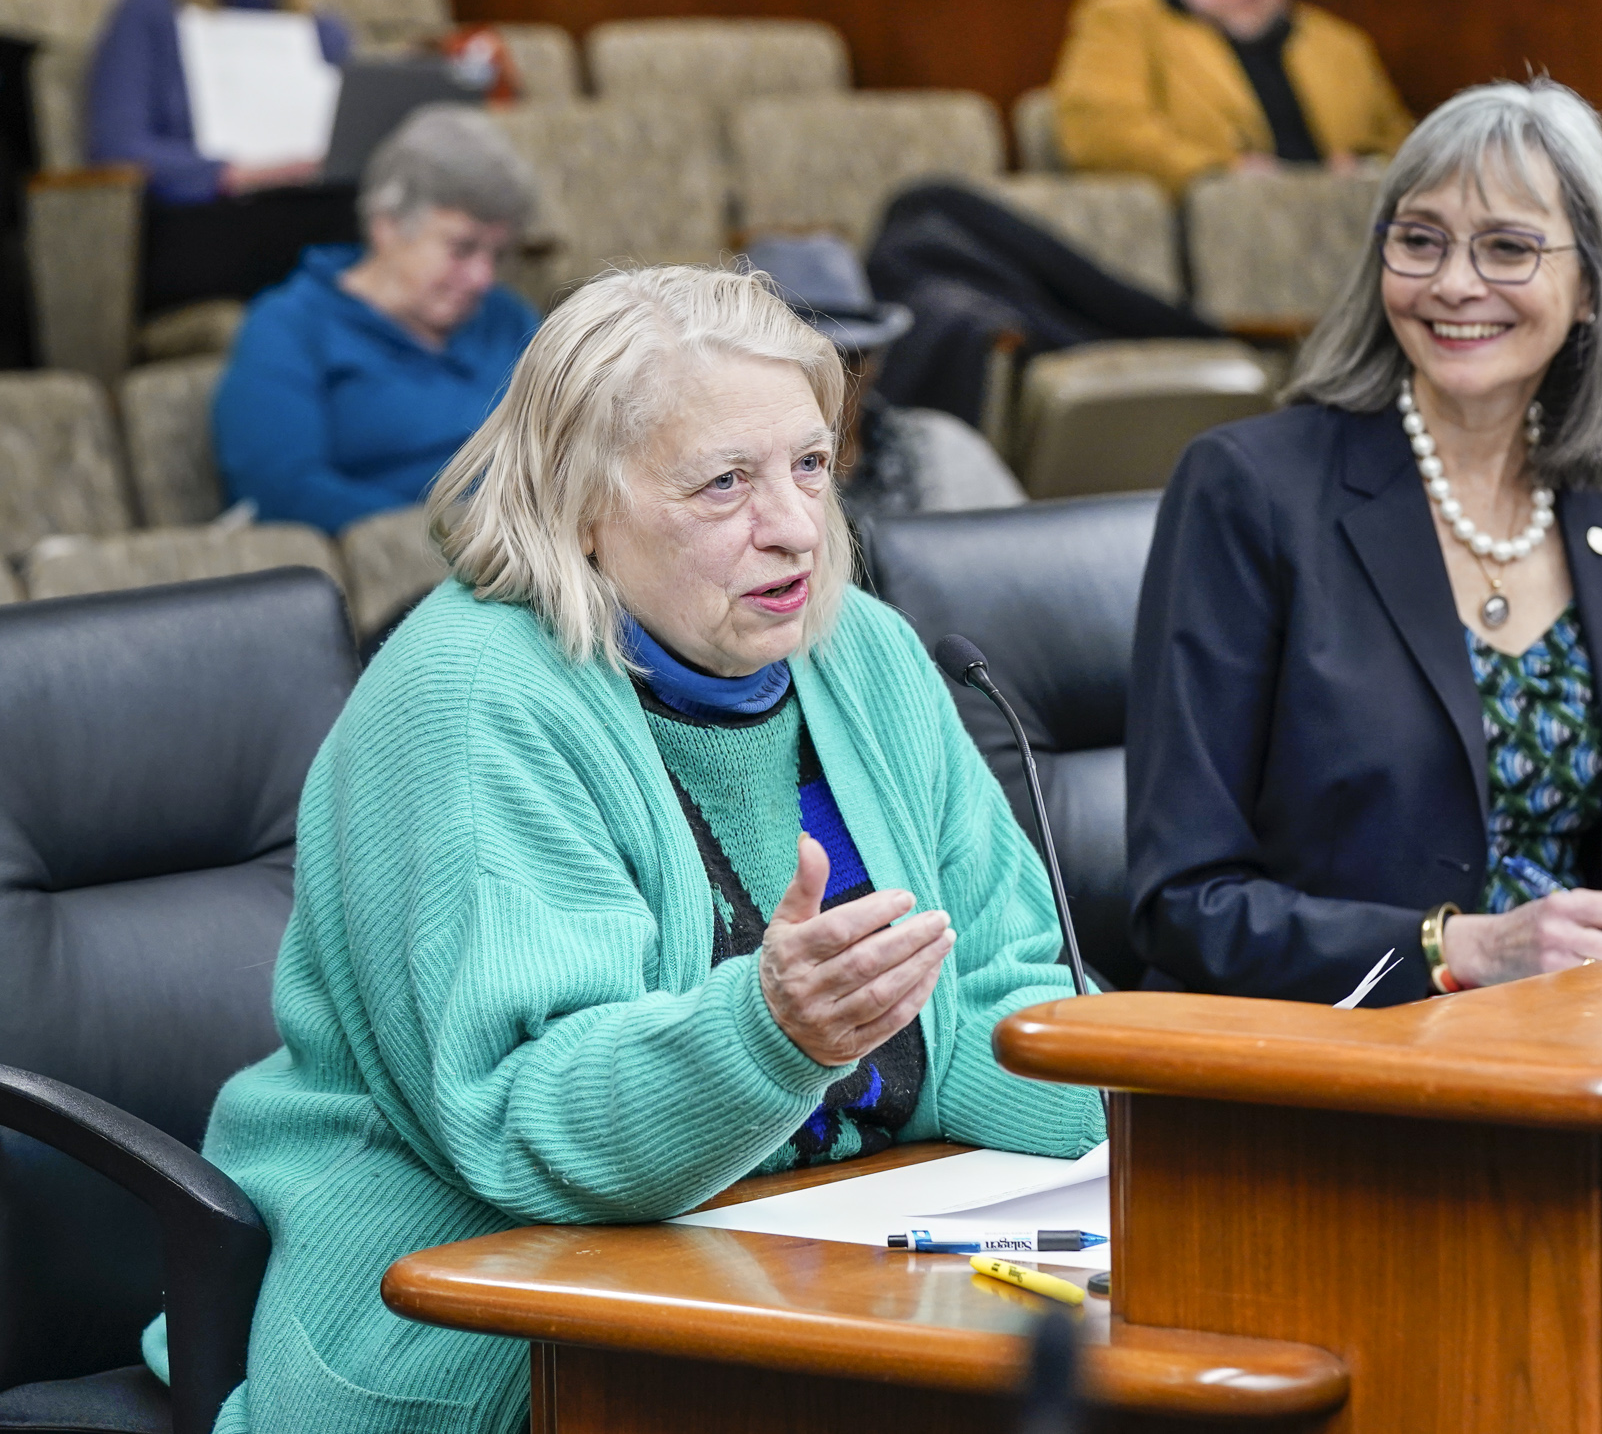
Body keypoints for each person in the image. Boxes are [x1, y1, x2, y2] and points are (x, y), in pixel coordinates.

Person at [153, 263, 1104, 1433]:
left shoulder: (865, 652)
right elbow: (525, 1121)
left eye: (811, 464)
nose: (798, 526)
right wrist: (775, 1035)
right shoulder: (471, 696)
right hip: (485, 1301)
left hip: (826, 1255)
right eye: (724, 485)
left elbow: (1009, 990)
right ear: (579, 508)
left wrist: (1174, 1121)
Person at [1125, 78, 1602, 1006]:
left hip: (1573, 1031)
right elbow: (1182, 902)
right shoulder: (1247, 489)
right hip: (1334, 1048)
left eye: (1508, 247)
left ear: (1590, 286)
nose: (1455, 282)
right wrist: (1458, 946)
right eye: (1420, 240)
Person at [214, 105, 539, 535]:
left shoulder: (508, 317)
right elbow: (282, 491)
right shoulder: (289, 328)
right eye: (462, 249)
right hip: (394, 571)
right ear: (388, 226)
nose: (483, 278)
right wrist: (451, 533)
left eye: (496, 254)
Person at [89, 0, 360, 312]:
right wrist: (234, 173)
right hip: (200, 223)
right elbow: (117, 146)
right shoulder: (151, 10)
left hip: (306, 203)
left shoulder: (325, 30)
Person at [1051, 0, 1412, 195]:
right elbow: (1100, 132)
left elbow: (1406, 142)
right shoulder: (1125, 17)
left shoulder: (1339, 43)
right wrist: (1223, 171)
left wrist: (1366, 165)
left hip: (1333, 233)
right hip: (1211, 232)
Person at [742, 232, 1027, 518]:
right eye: (798, 364)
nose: (826, 382)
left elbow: (1021, 549)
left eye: (846, 357)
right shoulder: (727, 490)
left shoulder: (944, 455)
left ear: (872, 365)